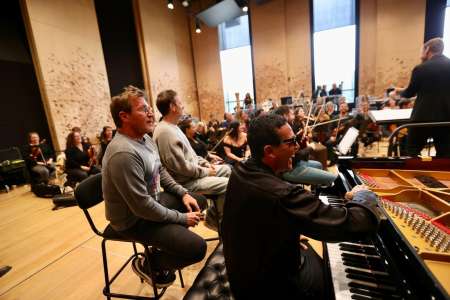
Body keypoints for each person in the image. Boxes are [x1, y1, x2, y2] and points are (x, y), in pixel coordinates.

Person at [222, 114, 380, 299]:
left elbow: (241, 222)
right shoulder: (283, 194)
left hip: (244, 271)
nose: (297, 147)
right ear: (269, 151)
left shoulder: (241, 170)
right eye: (290, 142)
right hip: (268, 288)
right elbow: (355, 223)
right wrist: (363, 195)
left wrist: (278, 236)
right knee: (334, 283)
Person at [102, 85, 207, 288]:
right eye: (143, 109)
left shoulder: (145, 139)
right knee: (196, 248)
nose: (151, 113)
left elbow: (161, 172)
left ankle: (164, 246)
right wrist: (181, 218)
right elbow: (142, 207)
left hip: (149, 205)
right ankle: (149, 264)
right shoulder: (122, 153)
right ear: (124, 116)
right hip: (131, 221)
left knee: (197, 201)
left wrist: (182, 193)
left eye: (150, 108)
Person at [153, 90, 231, 232]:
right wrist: (206, 172)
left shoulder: (173, 127)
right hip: (185, 182)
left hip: (193, 174)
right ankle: (217, 221)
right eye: (180, 102)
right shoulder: (165, 132)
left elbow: (191, 156)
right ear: (173, 107)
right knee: (228, 184)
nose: (183, 106)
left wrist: (205, 163)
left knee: (228, 169)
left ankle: (214, 216)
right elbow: (181, 167)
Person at [390, 38, 450, 157]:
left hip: (423, 119)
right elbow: (434, 89)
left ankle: (412, 174)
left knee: (411, 152)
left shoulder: (421, 68)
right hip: (446, 119)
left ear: (427, 49)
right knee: (445, 155)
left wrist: (396, 94)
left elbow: (409, 93)